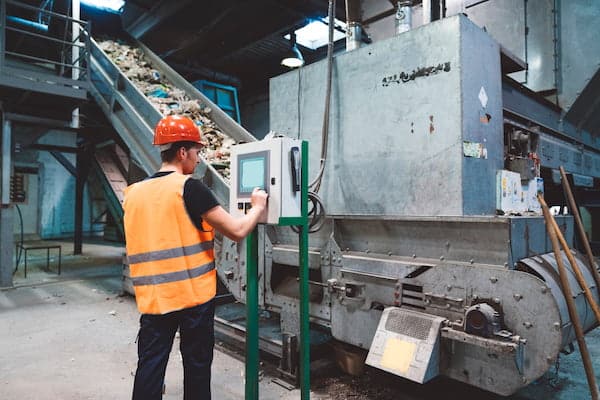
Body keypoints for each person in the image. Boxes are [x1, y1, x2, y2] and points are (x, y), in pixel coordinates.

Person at [123, 115, 268, 400]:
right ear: (182, 152)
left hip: (154, 297)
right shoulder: (189, 187)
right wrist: (257, 207)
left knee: (150, 365)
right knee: (197, 366)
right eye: (197, 152)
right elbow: (237, 231)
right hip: (192, 297)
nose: (198, 159)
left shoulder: (133, 192)